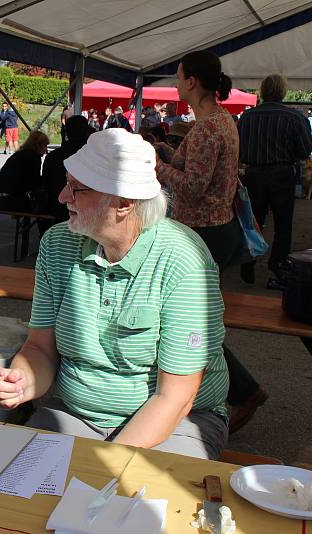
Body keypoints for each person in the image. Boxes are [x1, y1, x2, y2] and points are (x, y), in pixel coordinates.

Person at [0, 128, 230, 460]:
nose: (61, 197)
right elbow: (40, 348)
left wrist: (106, 463)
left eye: (76, 189)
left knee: (136, 500)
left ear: (124, 203)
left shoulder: (182, 259)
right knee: (11, 481)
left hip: (179, 422)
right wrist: (22, 381)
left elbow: (176, 398)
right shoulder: (57, 244)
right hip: (76, 413)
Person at [155, 50, 266, 433]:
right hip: (217, 230)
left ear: (192, 82)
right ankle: (221, 389)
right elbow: (201, 171)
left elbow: (192, 187)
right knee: (198, 320)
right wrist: (166, 151)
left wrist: (157, 167)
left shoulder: (206, 128)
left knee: (191, 322)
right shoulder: (221, 120)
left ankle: (240, 390)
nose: (174, 82)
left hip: (202, 234)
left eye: (178, 75)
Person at [237, 74, 312, 288]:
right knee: (283, 224)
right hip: (282, 174)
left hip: (254, 174)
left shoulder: (247, 117)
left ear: (262, 91)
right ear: (282, 92)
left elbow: (239, 148)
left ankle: (248, 258)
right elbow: (305, 149)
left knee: (253, 221)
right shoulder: (294, 117)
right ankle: (278, 264)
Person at [41, 115, 91, 224]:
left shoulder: (53, 156)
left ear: (67, 132)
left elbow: (45, 184)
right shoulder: (93, 156)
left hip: (56, 208)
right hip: (87, 208)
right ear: (87, 131)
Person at [0, 130, 49, 212]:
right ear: (37, 145)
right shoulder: (33, 157)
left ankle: (26, 223)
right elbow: (34, 183)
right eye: (45, 146)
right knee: (50, 205)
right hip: (13, 201)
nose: (46, 150)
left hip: (1, 200)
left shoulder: (19, 154)